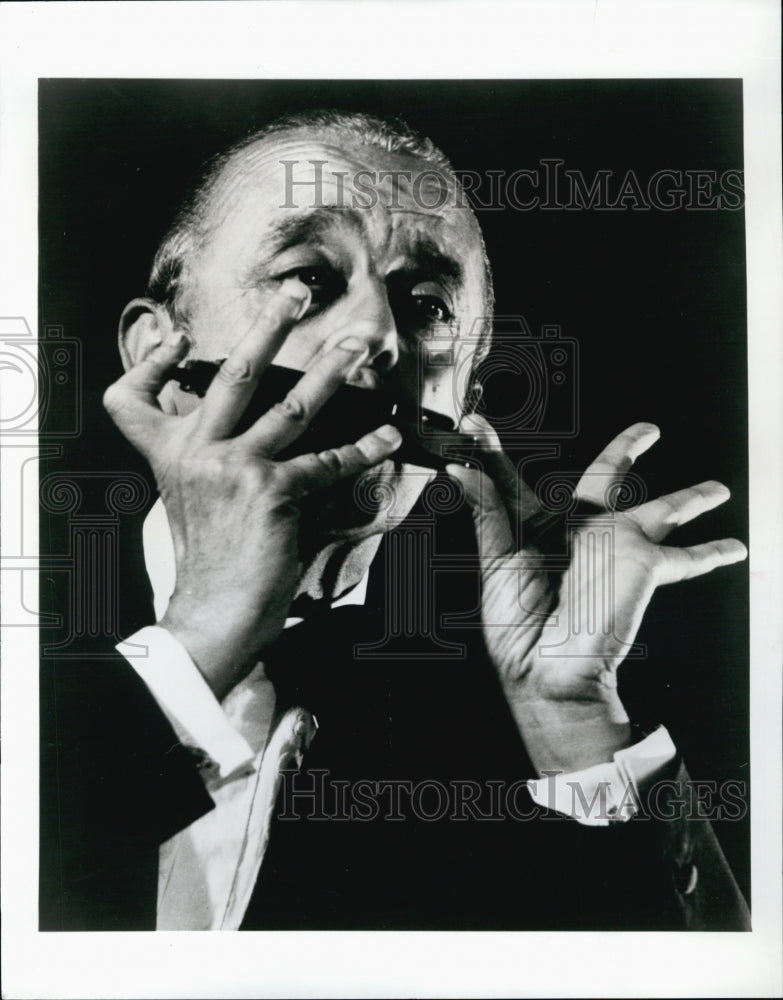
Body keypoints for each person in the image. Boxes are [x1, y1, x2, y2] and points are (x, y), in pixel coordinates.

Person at [40, 109, 750, 931]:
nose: (377, 334)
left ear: (463, 408)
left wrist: (573, 721)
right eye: (304, 277)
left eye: (428, 305)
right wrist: (193, 651)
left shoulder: (496, 727)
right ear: (159, 358)